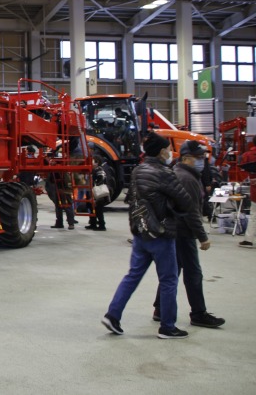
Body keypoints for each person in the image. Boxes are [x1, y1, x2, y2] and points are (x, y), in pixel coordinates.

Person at [102, 132, 194, 339]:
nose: (171, 153)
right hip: (161, 233)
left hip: (141, 232)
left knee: (133, 275)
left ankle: (113, 315)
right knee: (169, 279)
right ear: (162, 152)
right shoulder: (165, 173)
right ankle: (167, 326)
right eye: (169, 150)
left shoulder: (137, 170)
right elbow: (185, 201)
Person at [151, 140, 224, 328]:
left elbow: (196, 203)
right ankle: (198, 313)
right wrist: (203, 236)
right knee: (193, 273)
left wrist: (206, 209)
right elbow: (191, 211)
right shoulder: (187, 178)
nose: (202, 161)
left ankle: (160, 308)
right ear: (186, 158)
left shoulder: (186, 174)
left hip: (176, 230)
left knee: (173, 271)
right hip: (183, 232)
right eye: (198, 157)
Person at [238, 136, 256, 248]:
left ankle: (249, 240)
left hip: (255, 188)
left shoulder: (247, 155)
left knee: (254, 214)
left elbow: (241, 173)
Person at [86, 156, 109, 231]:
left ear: (97, 163)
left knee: (98, 209)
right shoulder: (92, 170)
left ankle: (102, 225)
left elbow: (101, 180)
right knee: (91, 207)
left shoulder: (99, 170)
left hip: (98, 192)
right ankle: (93, 223)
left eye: (93, 162)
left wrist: (95, 187)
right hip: (92, 191)